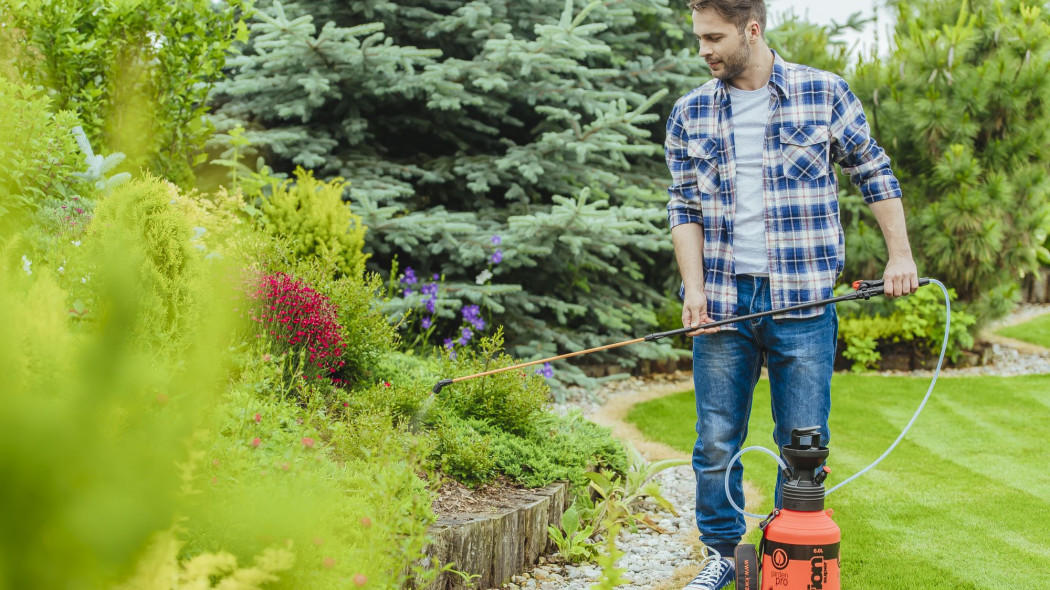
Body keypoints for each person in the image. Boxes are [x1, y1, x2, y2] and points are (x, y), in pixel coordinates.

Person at [663, 1, 919, 588]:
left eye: (713, 37)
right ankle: (724, 555)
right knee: (715, 440)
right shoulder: (690, 111)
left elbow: (873, 171)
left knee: (803, 442)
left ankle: (785, 553)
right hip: (723, 302)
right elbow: (684, 205)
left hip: (803, 302)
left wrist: (900, 256)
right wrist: (694, 291)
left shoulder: (822, 92)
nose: (703, 50)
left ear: (751, 29)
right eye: (698, 37)